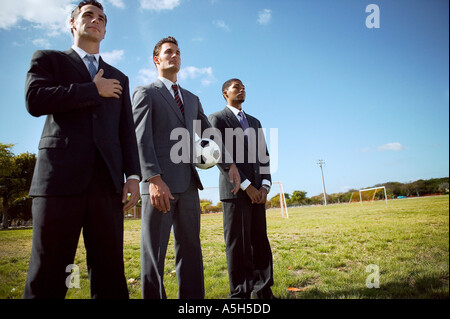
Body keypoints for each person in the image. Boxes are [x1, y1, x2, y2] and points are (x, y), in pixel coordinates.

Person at [23, 0, 141, 299]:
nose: (96, 20)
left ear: (105, 30)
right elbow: (34, 100)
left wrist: (134, 176)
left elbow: (126, 131)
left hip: (106, 185)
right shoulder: (49, 60)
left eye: (102, 18)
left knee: (110, 271)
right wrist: (92, 89)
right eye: (88, 15)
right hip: (58, 182)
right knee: (49, 271)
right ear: (72, 23)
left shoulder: (119, 77)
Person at [132, 36, 241, 299]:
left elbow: (210, 136)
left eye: (178, 52)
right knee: (154, 254)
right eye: (169, 52)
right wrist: (153, 179)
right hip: (159, 186)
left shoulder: (191, 99)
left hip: (189, 186)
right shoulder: (145, 93)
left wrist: (230, 165)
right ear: (157, 60)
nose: (175, 56)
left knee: (191, 250)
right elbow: (141, 138)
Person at [208, 78, 275, 299]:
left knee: (260, 242)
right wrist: (246, 186)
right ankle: (239, 296)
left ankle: (263, 292)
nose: (242, 89)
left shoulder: (255, 121)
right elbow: (220, 156)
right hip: (235, 193)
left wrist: (264, 186)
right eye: (236, 87)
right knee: (238, 246)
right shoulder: (217, 119)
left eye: (244, 86)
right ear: (225, 93)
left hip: (258, 193)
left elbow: (263, 155)